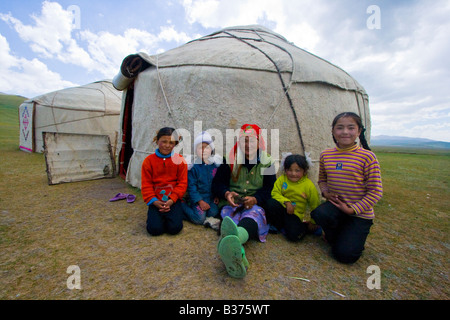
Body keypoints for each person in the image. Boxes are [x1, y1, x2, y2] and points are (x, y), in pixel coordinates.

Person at [311, 112, 383, 263]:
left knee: (345, 256)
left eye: (351, 128)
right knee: (318, 214)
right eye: (340, 128)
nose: (345, 132)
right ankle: (339, 234)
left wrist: (352, 209)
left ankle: (348, 236)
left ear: (359, 131)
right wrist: (325, 193)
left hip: (359, 213)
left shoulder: (367, 157)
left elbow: (376, 191)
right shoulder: (326, 155)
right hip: (336, 208)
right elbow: (322, 180)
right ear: (333, 131)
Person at [212, 123, 276, 278]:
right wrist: (227, 193)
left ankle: (233, 240)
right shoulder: (230, 160)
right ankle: (236, 246)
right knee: (230, 217)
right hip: (232, 204)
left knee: (252, 216)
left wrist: (255, 198)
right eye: (244, 141)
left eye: (251, 141)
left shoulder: (267, 162)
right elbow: (217, 184)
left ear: (259, 142)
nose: (248, 145)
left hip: (254, 205)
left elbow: (270, 189)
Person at [141, 127, 188, 236]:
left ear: (175, 144)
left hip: (173, 200)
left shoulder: (180, 161)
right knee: (154, 230)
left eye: (171, 142)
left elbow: (182, 183)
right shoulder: (149, 161)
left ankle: (174, 214)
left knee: (174, 229)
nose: (167, 145)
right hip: (156, 200)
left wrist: (172, 200)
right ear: (157, 141)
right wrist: (154, 201)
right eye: (164, 141)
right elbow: (146, 184)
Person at [265, 153, 321, 242]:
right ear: (285, 170)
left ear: (304, 171)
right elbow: (275, 193)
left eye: (297, 170)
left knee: (295, 236)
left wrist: (313, 222)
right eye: (289, 170)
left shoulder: (308, 185)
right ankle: (280, 226)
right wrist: (286, 202)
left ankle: (304, 227)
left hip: (295, 215)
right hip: (283, 210)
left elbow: (315, 204)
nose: (293, 173)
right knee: (271, 203)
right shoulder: (282, 179)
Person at [182, 131, 221, 225]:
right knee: (199, 219)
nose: (204, 150)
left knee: (214, 213)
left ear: (211, 149)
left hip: (210, 198)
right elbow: (192, 187)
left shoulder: (215, 165)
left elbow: (217, 182)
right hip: (198, 199)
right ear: (196, 150)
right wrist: (200, 201)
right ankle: (182, 205)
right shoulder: (193, 167)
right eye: (200, 148)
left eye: (207, 147)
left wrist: (217, 195)